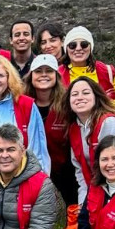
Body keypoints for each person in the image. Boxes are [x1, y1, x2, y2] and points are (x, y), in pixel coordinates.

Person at [26, 55, 79, 205]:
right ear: (31, 76)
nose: (43, 75)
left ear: (56, 75)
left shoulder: (67, 105)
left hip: (65, 173)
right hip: (29, 172)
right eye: (38, 71)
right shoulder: (23, 104)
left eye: (49, 71)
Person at [58, 26, 115, 122]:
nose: (78, 49)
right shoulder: (58, 75)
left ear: (90, 47)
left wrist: (110, 111)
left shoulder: (107, 71)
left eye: (84, 44)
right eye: (72, 45)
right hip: (72, 127)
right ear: (66, 49)